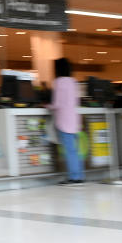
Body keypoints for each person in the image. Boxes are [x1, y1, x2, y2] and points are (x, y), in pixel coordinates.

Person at [51, 58, 84, 186]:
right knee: (75, 150)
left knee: (69, 150)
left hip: (64, 121)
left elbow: (57, 103)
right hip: (74, 120)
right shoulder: (74, 82)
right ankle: (79, 175)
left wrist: (48, 106)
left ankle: (74, 177)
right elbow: (77, 101)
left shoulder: (59, 82)